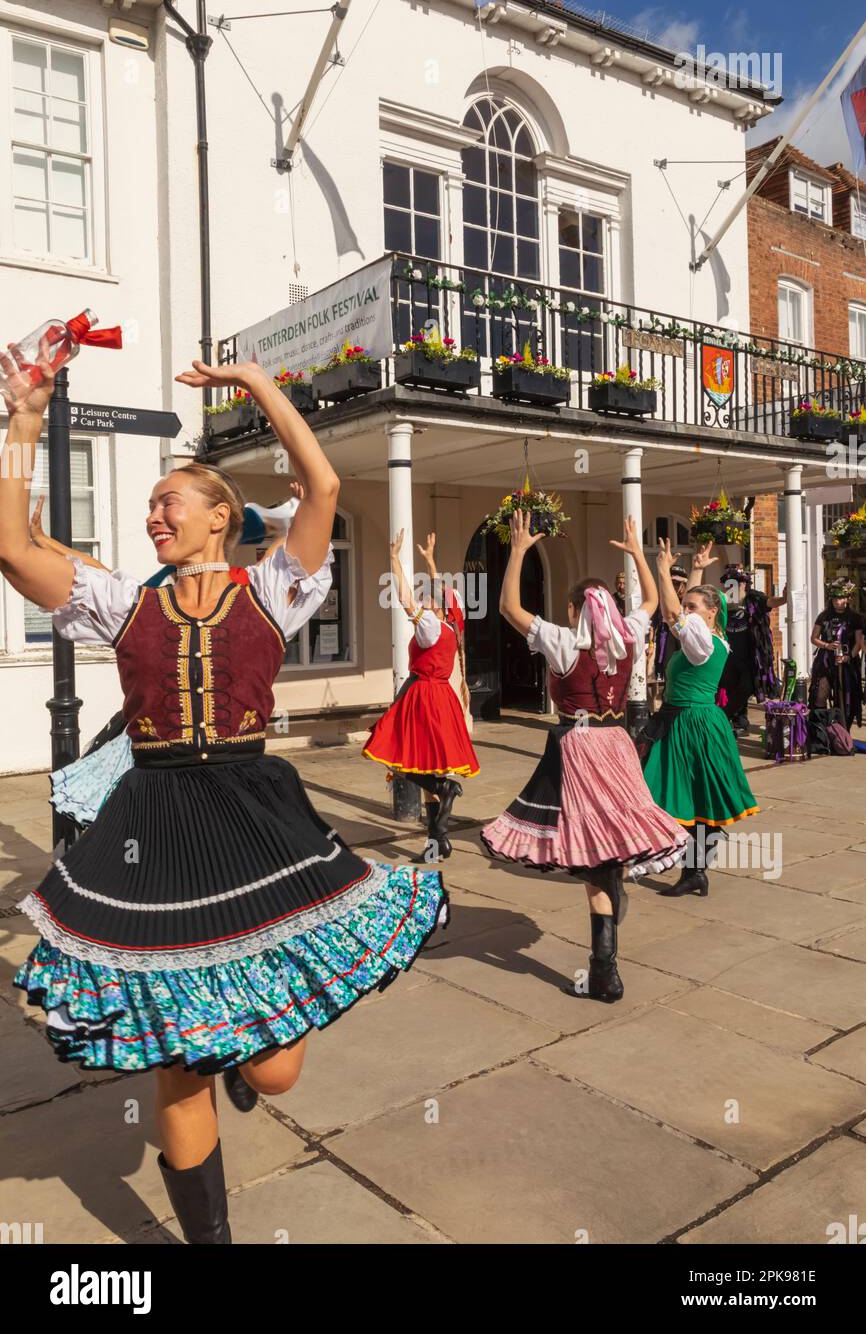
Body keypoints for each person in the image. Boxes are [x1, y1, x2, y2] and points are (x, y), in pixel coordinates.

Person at [0, 346, 447, 1245]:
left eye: (170, 500)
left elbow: (319, 486)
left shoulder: (273, 588)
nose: (153, 513)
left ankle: (248, 1052)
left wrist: (256, 385)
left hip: (253, 815)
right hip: (154, 821)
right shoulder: (122, 598)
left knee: (275, 1072)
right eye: (151, 504)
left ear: (218, 518)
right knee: (177, 1062)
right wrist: (25, 416)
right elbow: (10, 544)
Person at [481, 514, 688, 1004]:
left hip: (579, 746)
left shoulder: (564, 641)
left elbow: (509, 607)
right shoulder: (627, 637)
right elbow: (653, 603)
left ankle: (604, 971)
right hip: (619, 741)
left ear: (575, 608)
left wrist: (517, 550)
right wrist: (639, 553)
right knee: (614, 842)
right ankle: (607, 947)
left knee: (596, 853)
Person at [29, 489, 309, 829]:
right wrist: (45, 542)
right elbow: (99, 573)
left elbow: (290, 556)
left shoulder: (250, 589)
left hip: (217, 751)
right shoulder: (160, 592)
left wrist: (302, 516)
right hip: (159, 740)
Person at [639, 541, 759, 898]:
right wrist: (696, 569)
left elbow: (677, 617)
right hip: (685, 720)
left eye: (694, 606)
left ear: (711, 613)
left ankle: (691, 868)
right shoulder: (706, 635)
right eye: (687, 604)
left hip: (694, 723)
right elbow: (683, 615)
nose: (686, 610)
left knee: (692, 798)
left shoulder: (704, 640)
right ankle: (692, 869)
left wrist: (662, 571)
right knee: (685, 796)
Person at [363, 530, 479, 860]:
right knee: (429, 766)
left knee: (401, 759)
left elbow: (404, 599)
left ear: (440, 608)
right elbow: (443, 594)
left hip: (423, 696)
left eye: (432, 598)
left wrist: (394, 559)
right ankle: (437, 842)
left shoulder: (430, 626)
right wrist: (430, 561)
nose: (427, 598)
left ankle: (446, 790)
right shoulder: (452, 625)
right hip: (440, 697)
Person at [700, 560, 786, 734]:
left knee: (746, 687)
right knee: (728, 687)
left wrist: (785, 598)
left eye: (737, 582)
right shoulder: (720, 601)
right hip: (727, 654)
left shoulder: (753, 598)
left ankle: (729, 717)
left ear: (745, 583)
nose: (732, 587)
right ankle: (739, 722)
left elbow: (771, 602)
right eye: (728, 583)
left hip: (750, 654)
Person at [808, 579, 865, 732]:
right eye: (835, 599)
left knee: (845, 697)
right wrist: (827, 645)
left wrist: (848, 657)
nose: (838, 602)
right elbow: (813, 638)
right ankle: (818, 730)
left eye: (840, 598)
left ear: (847, 599)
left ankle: (841, 731)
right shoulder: (823, 616)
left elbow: (859, 642)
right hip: (825, 660)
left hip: (848, 662)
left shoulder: (856, 618)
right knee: (820, 694)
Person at [649, 560, 690, 691]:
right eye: (671, 582)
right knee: (667, 668)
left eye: (677, 583)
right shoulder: (661, 600)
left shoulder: (689, 600)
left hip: (684, 635)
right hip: (666, 637)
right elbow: (653, 623)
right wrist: (650, 644)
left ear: (684, 585)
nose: (674, 586)